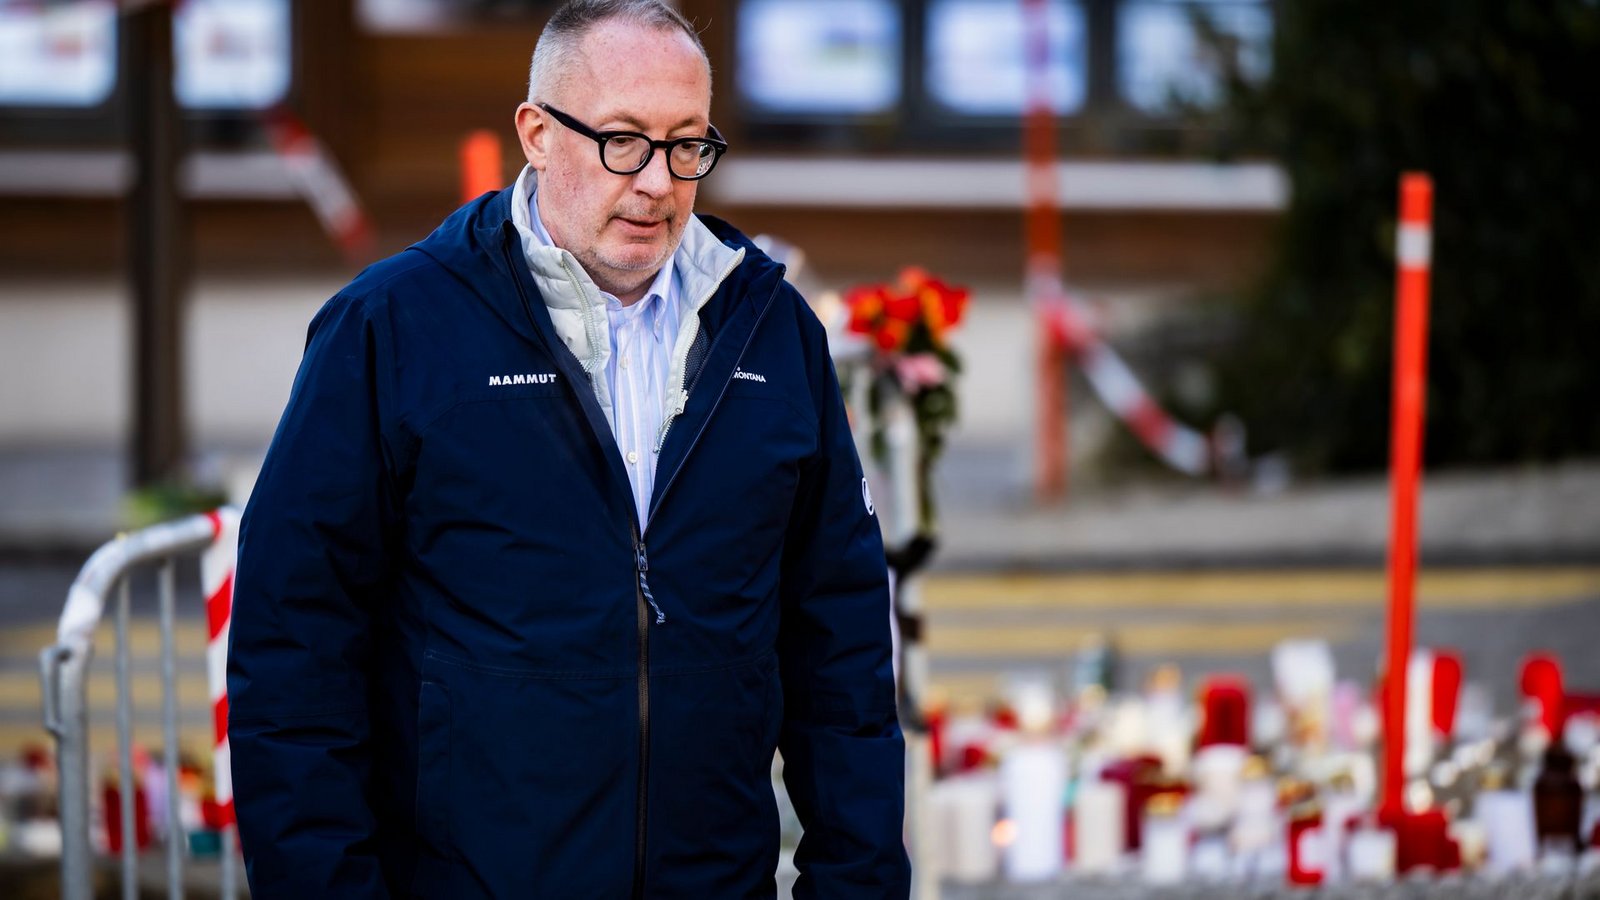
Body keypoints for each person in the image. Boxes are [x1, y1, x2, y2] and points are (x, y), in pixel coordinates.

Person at [226, 1, 910, 897]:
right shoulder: (391, 328)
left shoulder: (773, 332)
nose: (658, 182)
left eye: (687, 145)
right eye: (623, 140)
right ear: (538, 134)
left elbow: (842, 653)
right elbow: (294, 652)